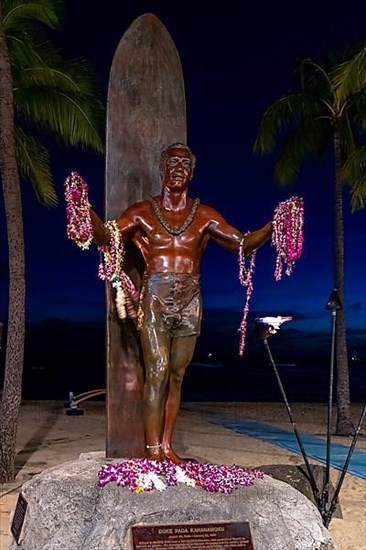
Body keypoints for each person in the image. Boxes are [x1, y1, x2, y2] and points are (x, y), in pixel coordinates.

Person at [91, 142, 272, 463]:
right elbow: (108, 238)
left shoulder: (204, 215)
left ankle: (165, 446)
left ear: (192, 172)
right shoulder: (141, 212)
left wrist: (274, 225)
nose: (179, 169)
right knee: (157, 370)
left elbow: (243, 244)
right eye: (173, 163)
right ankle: (151, 452)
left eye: (185, 164)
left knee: (177, 374)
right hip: (156, 295)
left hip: (191, 297)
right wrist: (84, 211)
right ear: (162, 169)